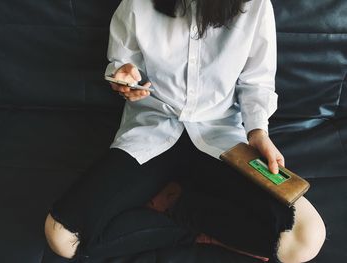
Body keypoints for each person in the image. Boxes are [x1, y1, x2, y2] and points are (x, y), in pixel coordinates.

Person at [43, 0, 326, 262]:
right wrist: (125, 78)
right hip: (151, 133)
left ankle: (181, 204)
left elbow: (257, 83)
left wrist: (258, 134)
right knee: (61, 237)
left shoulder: (255, 4)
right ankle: (194, 231)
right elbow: (122, 64)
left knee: (306, 238)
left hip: (222, 139)